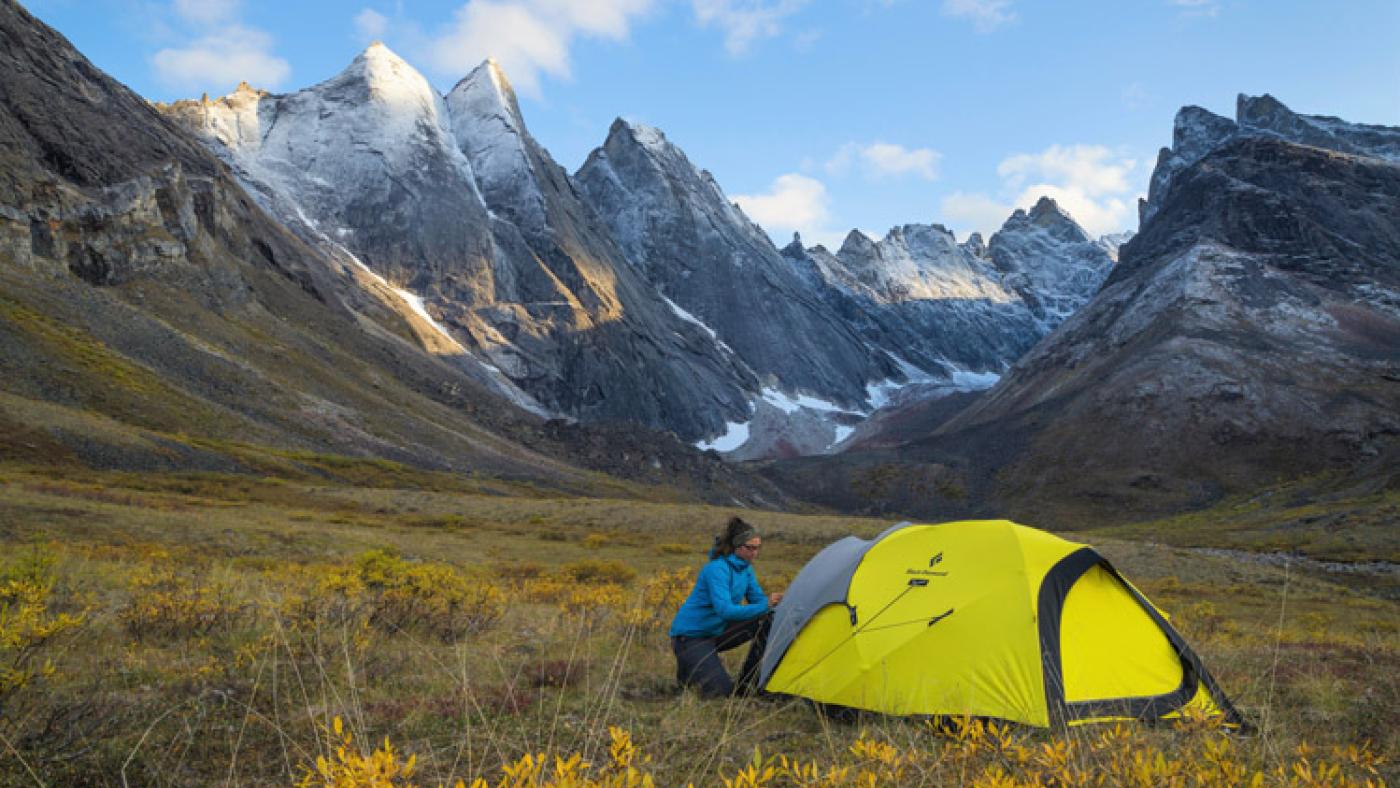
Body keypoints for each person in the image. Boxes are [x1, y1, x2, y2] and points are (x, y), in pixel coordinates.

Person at [668, 517, 784, 698]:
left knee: (768, 619)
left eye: (757, 548)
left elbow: (758, 601)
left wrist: (778, 603)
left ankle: (748, 683)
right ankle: (689, 670)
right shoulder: (716, 569)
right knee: (721, 694)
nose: (754, 553)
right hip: (690, 637)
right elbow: (725, 610)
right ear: (736, 546)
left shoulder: (746, 569)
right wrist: (765, 604)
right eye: (750, 548)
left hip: (717, 632)